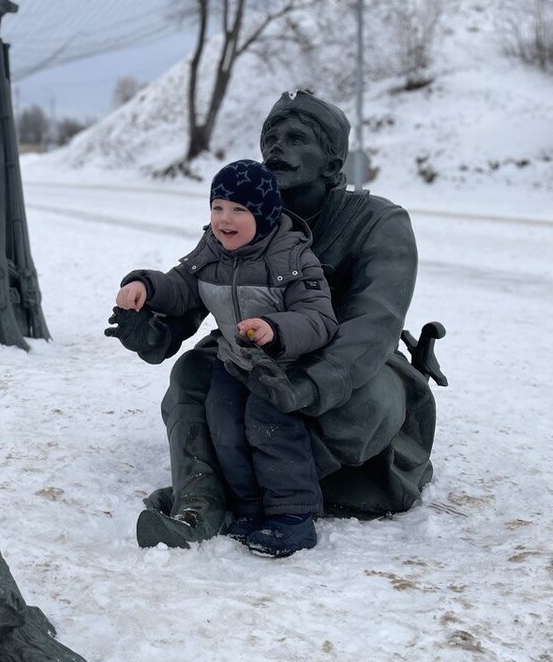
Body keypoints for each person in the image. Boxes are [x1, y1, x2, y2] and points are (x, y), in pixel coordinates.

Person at [105, 90, 438, 549]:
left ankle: (262, 495)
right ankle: (201, 499)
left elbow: (373, 326)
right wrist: (151, 329)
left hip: (347, 363)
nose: (276, 147)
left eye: (296, 137)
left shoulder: (379, 222)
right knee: (193, 375)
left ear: (332, 163)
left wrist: (311, 384)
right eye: (270, 136)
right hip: (255, 353)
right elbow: (197, 290)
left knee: (370, 401)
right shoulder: (246, 216)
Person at [115, 160, 338, 556]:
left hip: (282, 366)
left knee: (269, 427)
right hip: (234, 361)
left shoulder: (293, 257)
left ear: (265, 214)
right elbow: (181, 286)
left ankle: (293, 517)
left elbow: (319, 318)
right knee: (223, 424)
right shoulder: (211, 251)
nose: (225, 219)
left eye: (239, 210)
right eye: (218, 207)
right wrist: (145, 286)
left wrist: (276, 329)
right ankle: (249, 508)